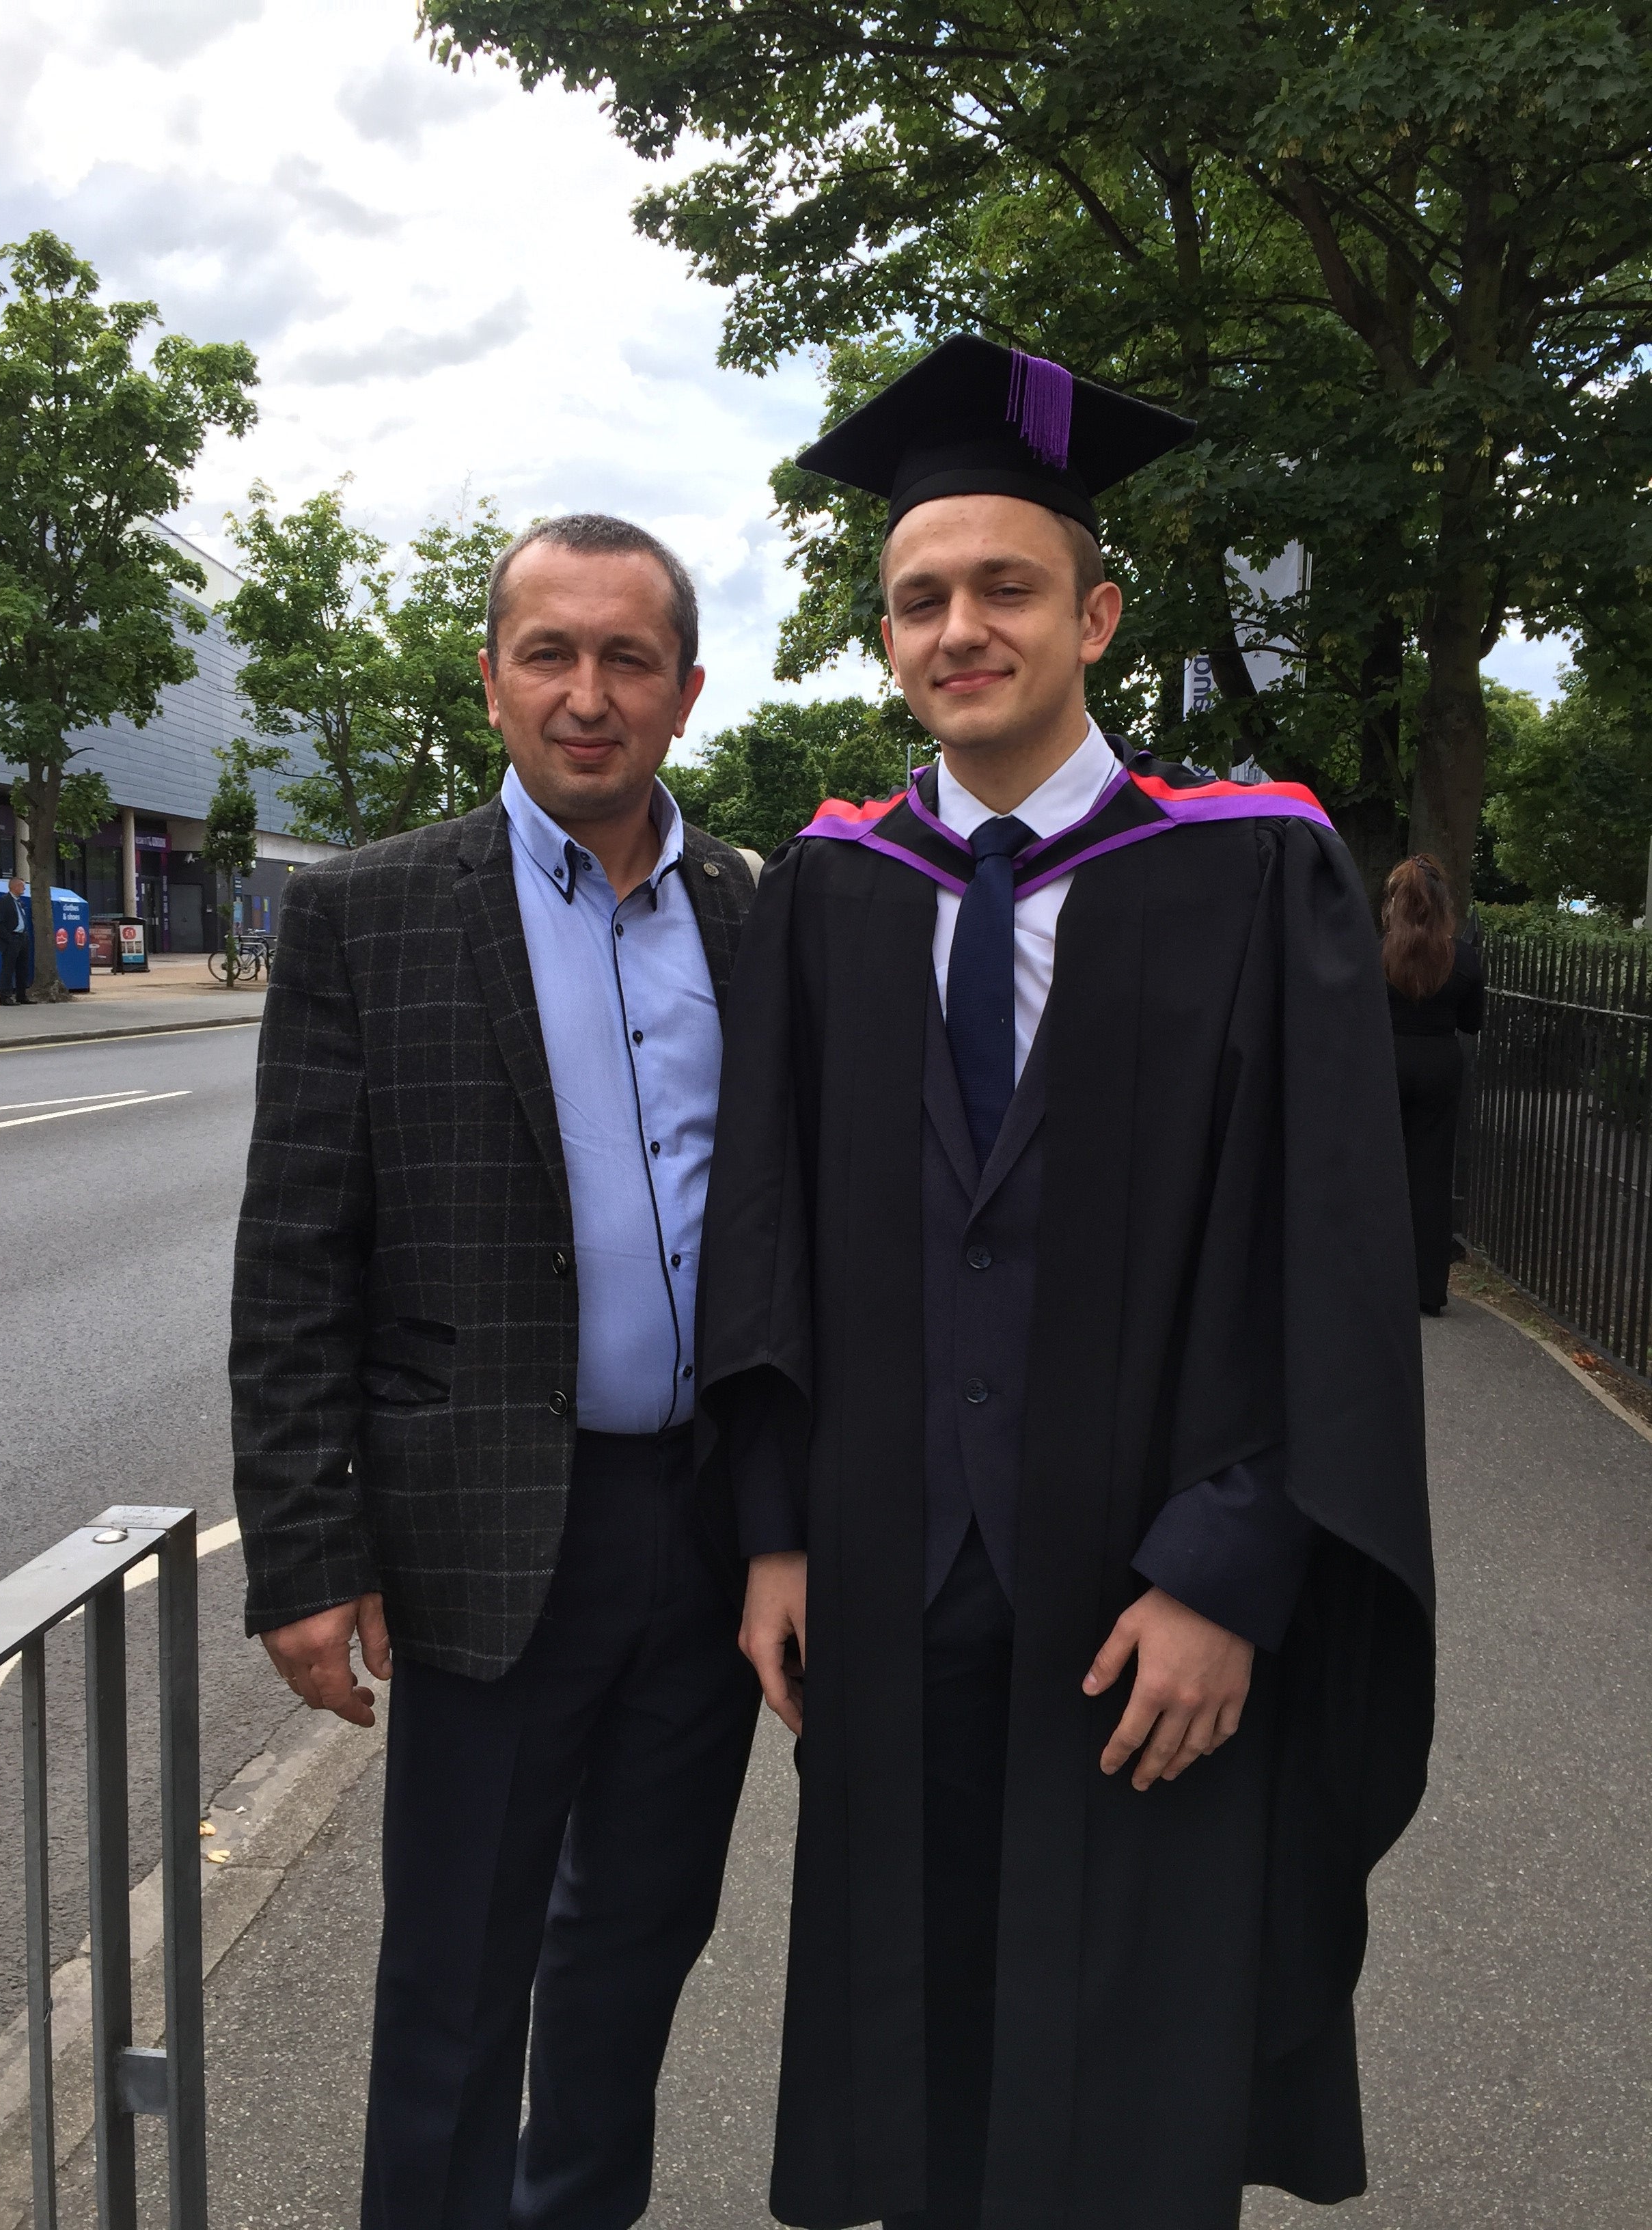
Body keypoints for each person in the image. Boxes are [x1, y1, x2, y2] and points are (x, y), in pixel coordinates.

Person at [698, 337, 1435, 2230]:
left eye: (1005, 587)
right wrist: (776, 1530)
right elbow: (764, 1231)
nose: (962, 627)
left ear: (1096, 615)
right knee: (921, 2044)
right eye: (919, 598)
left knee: (1137, 2068)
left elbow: (1332, 1247)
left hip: (1145, 1586)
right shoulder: (838, 891)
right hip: (896, 1577)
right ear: (885, 640)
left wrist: (1235, 1565)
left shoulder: (1257, 873)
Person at [230, 514, 763, 2230]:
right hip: (484, 1534)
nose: (585, 694)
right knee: (455, 1979)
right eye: (549, 652)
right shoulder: (366, 915)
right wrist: (309, 1552)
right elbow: (296, 1253)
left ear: (685, 690)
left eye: (626, 659)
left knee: (631, 1958)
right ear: (490, 677)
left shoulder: (761, 918)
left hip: (705, 1531)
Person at [1382, 853, 1484, 1317]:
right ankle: (1428, 1288)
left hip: (1386, 1060)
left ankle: (1378, 1277)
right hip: (1440, 1062)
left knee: (1382, 1170)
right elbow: (1473, 1022)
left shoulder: (1377, 951)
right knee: (1431, 1172)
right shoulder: (1462, 957)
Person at [0, 875, 31, 1004]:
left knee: (23, 968)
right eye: (22, 886)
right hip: (11, 939)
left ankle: (22, 995)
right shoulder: (3, 901)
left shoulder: (20, 902)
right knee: (8, 969)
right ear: (14, 887)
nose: (24, 889)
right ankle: (5, 996)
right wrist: (10, 939)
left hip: (22, 938)